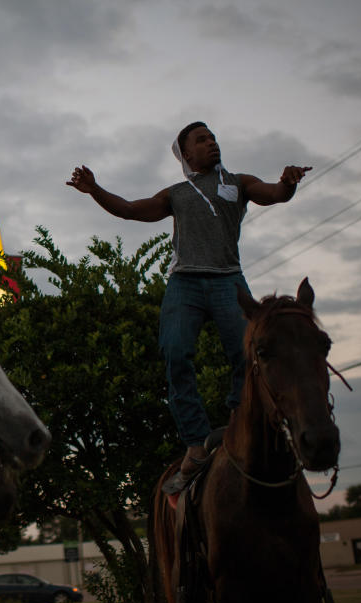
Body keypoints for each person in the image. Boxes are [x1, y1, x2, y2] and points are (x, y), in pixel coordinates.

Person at [67, 122, 311, 489]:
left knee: (248, 356)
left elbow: (274, 193)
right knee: (176, 352)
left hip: (228, 280)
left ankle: (237, 421)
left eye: (213, 137)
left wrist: (288, 183)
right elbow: (131, 210)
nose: (211, 143)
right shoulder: (177, 194)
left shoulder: (239, 182)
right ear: (186, 155)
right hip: (186, 283)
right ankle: (196, 443)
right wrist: (94, 190)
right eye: (201, 140)